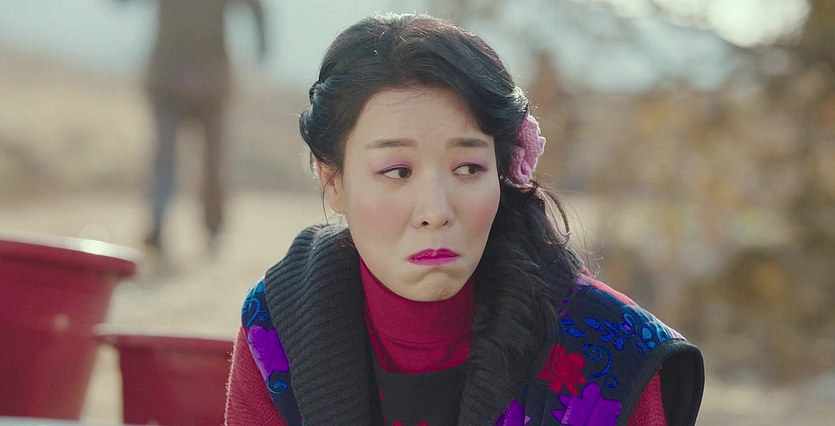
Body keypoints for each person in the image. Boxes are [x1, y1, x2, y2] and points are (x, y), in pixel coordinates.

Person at [224, 13, 704, 426]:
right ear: (332, 181)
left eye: (468, 168)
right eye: (397, 171)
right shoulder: (282, 324)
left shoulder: (612, 353)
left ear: (502, 172)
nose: (436, 211)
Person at [124, 0, 268, 253]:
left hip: (202, 81)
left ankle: (209, 224)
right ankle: (160, 224)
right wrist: (262, 43)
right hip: (176, 79)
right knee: (169, 156)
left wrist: (262, 42)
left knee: (206, 161)